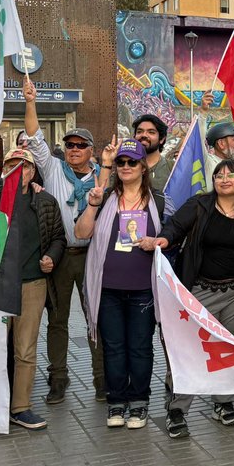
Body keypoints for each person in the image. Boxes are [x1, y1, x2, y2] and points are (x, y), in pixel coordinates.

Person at [148, 158, 234, 438]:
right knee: (190, 350)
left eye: (231, 174)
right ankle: (177, 409)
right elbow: (175, 227)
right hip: (201, 292)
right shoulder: (200, 205)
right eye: (219, 174)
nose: (224, 178)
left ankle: (223, 403)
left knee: (229, 350)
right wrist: (164, 239)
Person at [0, 147, 66, 438]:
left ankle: (20, 407)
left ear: (32, 172)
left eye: (23, 166)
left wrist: (52, 256)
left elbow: (59, 236)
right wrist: (2, 215)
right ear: (4, 170)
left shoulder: (45, 201)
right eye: (11, 165)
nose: (17, 170)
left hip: (32, 283)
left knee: (25, 350)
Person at [21, 76, 107, 404]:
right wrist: (31, 102)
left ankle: (101, 378)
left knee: (95, 318)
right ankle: (58, 377)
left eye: (80, 146)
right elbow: (34, 136)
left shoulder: (103, 174)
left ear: (91, 151)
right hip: (58, 256)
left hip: (92, 257)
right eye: (69, 145)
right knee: (56, 321)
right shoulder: (53, 169)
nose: (73, 150)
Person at [75, 138, 165, 430]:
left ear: (142, 167)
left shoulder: (159, 202)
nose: (126, 167)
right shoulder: (103, 198)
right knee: (113, 348)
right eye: (121, 162)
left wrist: (158, 242)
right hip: (108, 289)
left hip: (143, 289)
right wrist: (92, 206)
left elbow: (173, 238)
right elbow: (81, 233)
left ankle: (139, 402)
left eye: (132, 162)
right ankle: (116, 401)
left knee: (139, 347)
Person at [133, 114, 173, 191]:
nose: (144, 135)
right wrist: (107, 162)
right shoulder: (125, 165)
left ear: (161, 139)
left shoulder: (173, 168)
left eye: (151, 132)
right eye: (139, 131)